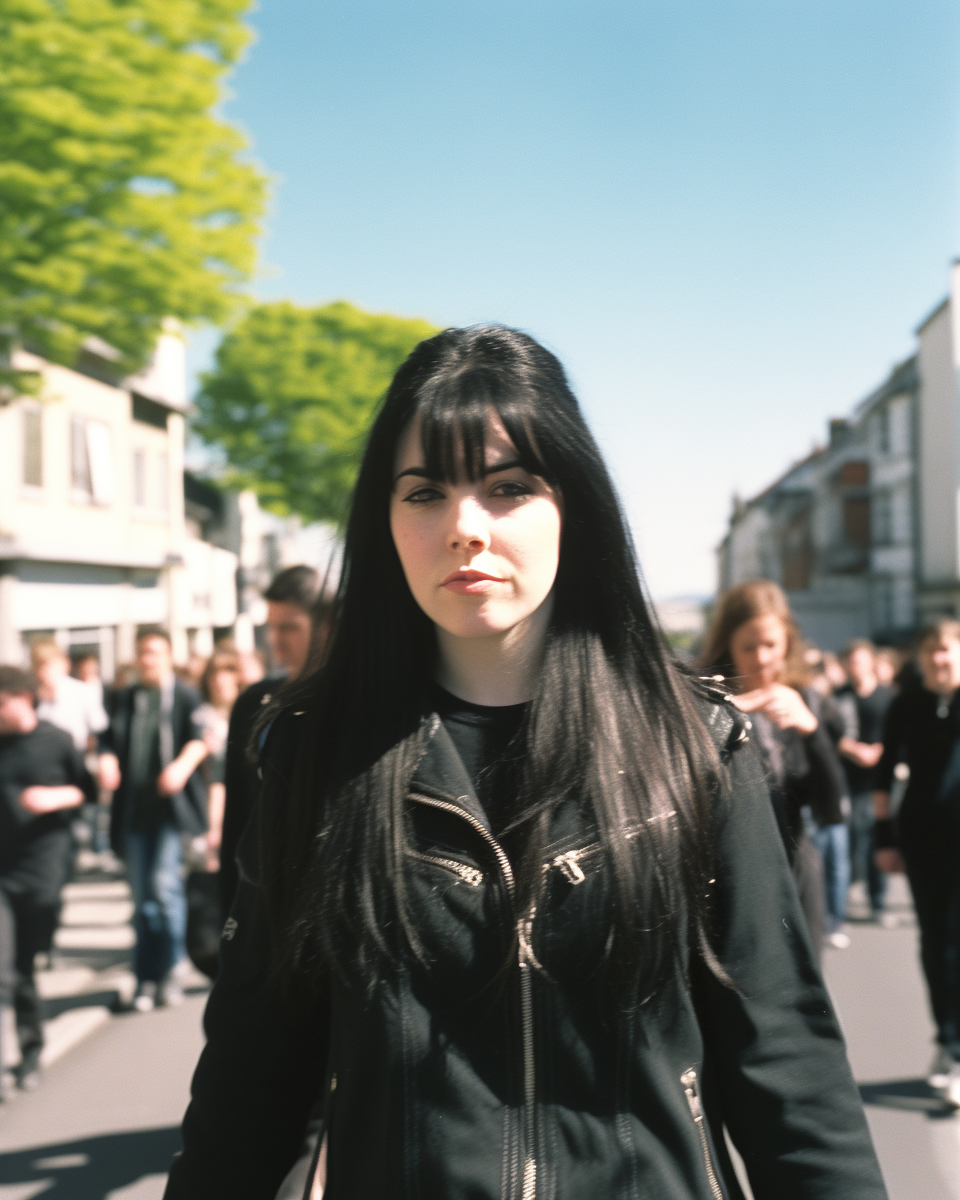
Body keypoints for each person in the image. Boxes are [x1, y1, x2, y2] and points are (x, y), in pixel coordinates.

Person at [165, 326, 885, 1199]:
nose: (465, 528)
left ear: (570, 505)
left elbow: (791, 1073)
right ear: (383, 520)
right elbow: (251, 1081)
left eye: (508, 488)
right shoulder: (314, 754)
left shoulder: (698, 746)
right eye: (424, 491)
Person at [700, 582, 851, 955]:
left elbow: (832, 809)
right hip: (730, 876)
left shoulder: (808, 698)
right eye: (748, 647)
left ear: (787, 643)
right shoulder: (706, 702)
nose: (762, 658)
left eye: (771, 645)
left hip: (795, 866)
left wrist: (812, 733)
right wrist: (734, 710)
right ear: (728, 646)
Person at [98, 629, 209, 1012]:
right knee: (142, 898)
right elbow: (108, 739)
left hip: (169, 810)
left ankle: (171, 969)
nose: (150, 660)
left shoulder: (184, 694)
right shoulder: (125, 696)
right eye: (144, 653)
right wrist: (107, 759)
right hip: (133, 809)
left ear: (168, 656)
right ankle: (146, 976)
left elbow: (199, 738)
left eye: (156, 652)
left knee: (164, 890)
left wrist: (181, 766)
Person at [874, 618, 960, 1105]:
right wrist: (884, 836)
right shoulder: (905, 704)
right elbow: (885, 772)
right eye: (932, 651)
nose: (940, 659)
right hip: (924, 840)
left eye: (947, 649)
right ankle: (948, 1043)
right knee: (936, 944)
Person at [0, 665, 95, 1092]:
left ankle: (31, 1052)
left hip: (43, 864)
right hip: (1, 870)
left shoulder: (56, 740)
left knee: (22, 966)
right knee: (2, 967)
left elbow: (88, 790)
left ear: (21, 699)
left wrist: (53, 797)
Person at [217, 566, 329, 915]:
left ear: (328, 627)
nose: (276, 640)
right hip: (260, 898)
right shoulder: (254, 702)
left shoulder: (355, 705)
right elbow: (237, 813)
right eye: (272, 627)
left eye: (290, 627)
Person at [835, 640, 894, 924]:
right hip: (849, 779)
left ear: (871, 662)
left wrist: (879, 751)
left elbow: (898, 735)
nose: (854, 668)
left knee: (877, 837)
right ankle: (845, 895)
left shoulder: (888, 696)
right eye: (850, 662)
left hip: (881, 781)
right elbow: (831, 734)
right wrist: (852, 749)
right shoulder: (839, 696)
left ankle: (878, 901)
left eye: (859, 661)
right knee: (852, 837)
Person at [194, 650, 244, 875]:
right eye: (214, 674)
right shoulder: (200, 719)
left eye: (227, 672)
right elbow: (213, 779)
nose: (220, 680)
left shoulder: (249, 715)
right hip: (208, 812)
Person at [30, 638, 108, 754]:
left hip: (77, 758)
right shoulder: (33, 698)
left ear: (65, 664)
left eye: (48, 664)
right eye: (38, 665)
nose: (43, 671)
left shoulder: (83, 692)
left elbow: (100, 729)